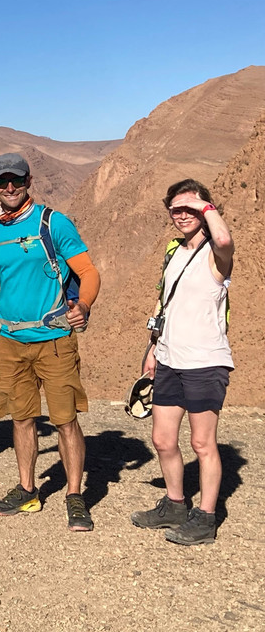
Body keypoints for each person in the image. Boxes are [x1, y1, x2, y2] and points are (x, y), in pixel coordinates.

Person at [0, 153, 100, 531]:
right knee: (22, 417)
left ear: (28, 180)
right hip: (10, 341)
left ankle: (74, 496)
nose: (9, 187)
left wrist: (85, 305)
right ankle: (28, 490)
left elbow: (87, 271)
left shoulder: (52, 223)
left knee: (65, 420)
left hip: (55, 338)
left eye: (16, 180)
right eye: (1, 182)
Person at [130, 179, 233, 545]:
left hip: (205, 360)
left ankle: (205, 517)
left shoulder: (215, 253)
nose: (183, 215)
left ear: (207, 208)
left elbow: (223, 240)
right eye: (176, 209)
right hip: (170, 358)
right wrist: (154, 349)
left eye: (191, 208)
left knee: (202, 444)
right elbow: (164, 303)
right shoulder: (174, 251)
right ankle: (175, 503)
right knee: (163, 439)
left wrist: (204, 205)